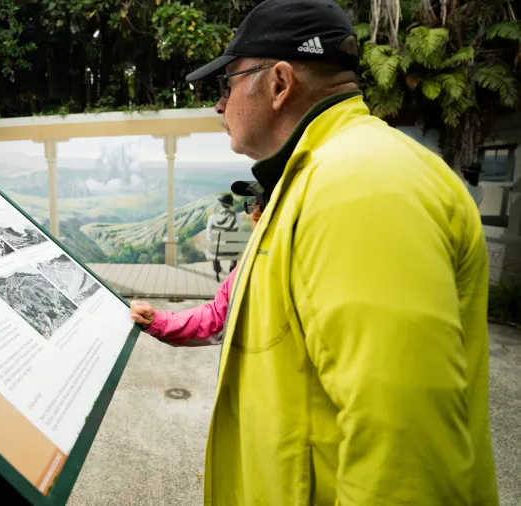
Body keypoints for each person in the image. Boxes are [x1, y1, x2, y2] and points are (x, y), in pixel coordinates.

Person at [165, 0, 499, 504]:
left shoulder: (360, 184)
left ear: (279, 84)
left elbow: (404, 452)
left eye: (226, 83)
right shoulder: (325, 174)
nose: (218, 105)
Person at [130, 182, 263, 346]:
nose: (253, 215)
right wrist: (157, 321)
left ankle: (217, 265)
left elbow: (218, 318)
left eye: (259, 206)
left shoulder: (262, 262)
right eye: (253, 206)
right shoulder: (254, 260)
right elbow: (219, 317)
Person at [205, 193, 242, 273]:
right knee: (234, 245)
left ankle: (217, 268)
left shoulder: (212, 217)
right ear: (230, 204)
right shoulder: (237, 216)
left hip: (218, 250)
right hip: (232, 250)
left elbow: (209, 234)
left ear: (220, 203)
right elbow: (239, 231)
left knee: (214, 246)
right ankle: (232, 267)